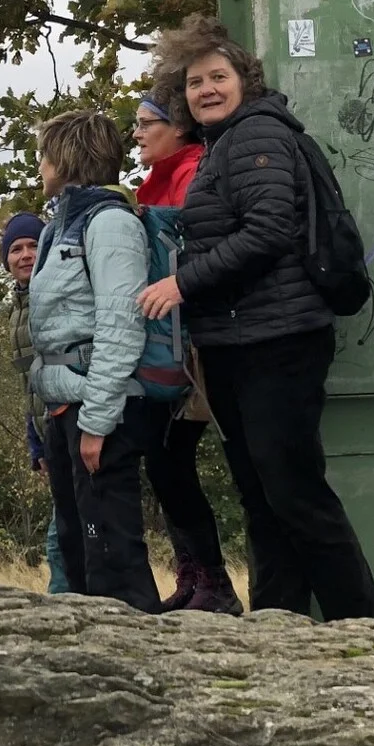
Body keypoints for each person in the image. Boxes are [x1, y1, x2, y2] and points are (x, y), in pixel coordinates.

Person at [139, 16, 374, 621]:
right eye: (194, 83)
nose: (206, 90)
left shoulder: (255, 137)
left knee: (294, 494)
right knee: (264, 496)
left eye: (218, 77)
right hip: (242, 340)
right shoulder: (227, 143)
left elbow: (269, 232)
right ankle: (281, 623)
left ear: (244, 80)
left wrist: (181, 282)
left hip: (278, 341)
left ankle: (366, 626)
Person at [28, 110, 161, 609]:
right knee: (80, 548)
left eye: (45, 154)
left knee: (114, 554)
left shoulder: (109, 224)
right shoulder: (57, 226)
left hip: (100, 408)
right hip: (65, 404)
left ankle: (144, 663)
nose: (40, 165)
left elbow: (120, 324)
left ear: (65, 157)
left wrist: (99, 420)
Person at [133, 96, 241, 615]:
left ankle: (214, 584)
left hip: (194, 346)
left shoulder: (193, 174)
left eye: (145, 123)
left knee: (170, 460)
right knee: (163, 462)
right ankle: (194, 577)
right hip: (170, 344)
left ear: (178, 128)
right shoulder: (156, 179)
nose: (137, 134)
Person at [1, 212, 69, 595]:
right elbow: (29, 379)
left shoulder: (56, 292)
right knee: (64, 534)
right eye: (16, 248)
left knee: (63, 539)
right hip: (49, 431)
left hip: (73, 423)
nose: (25, 255)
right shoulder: (18, 306)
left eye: (32, 245)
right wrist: (35, 443)